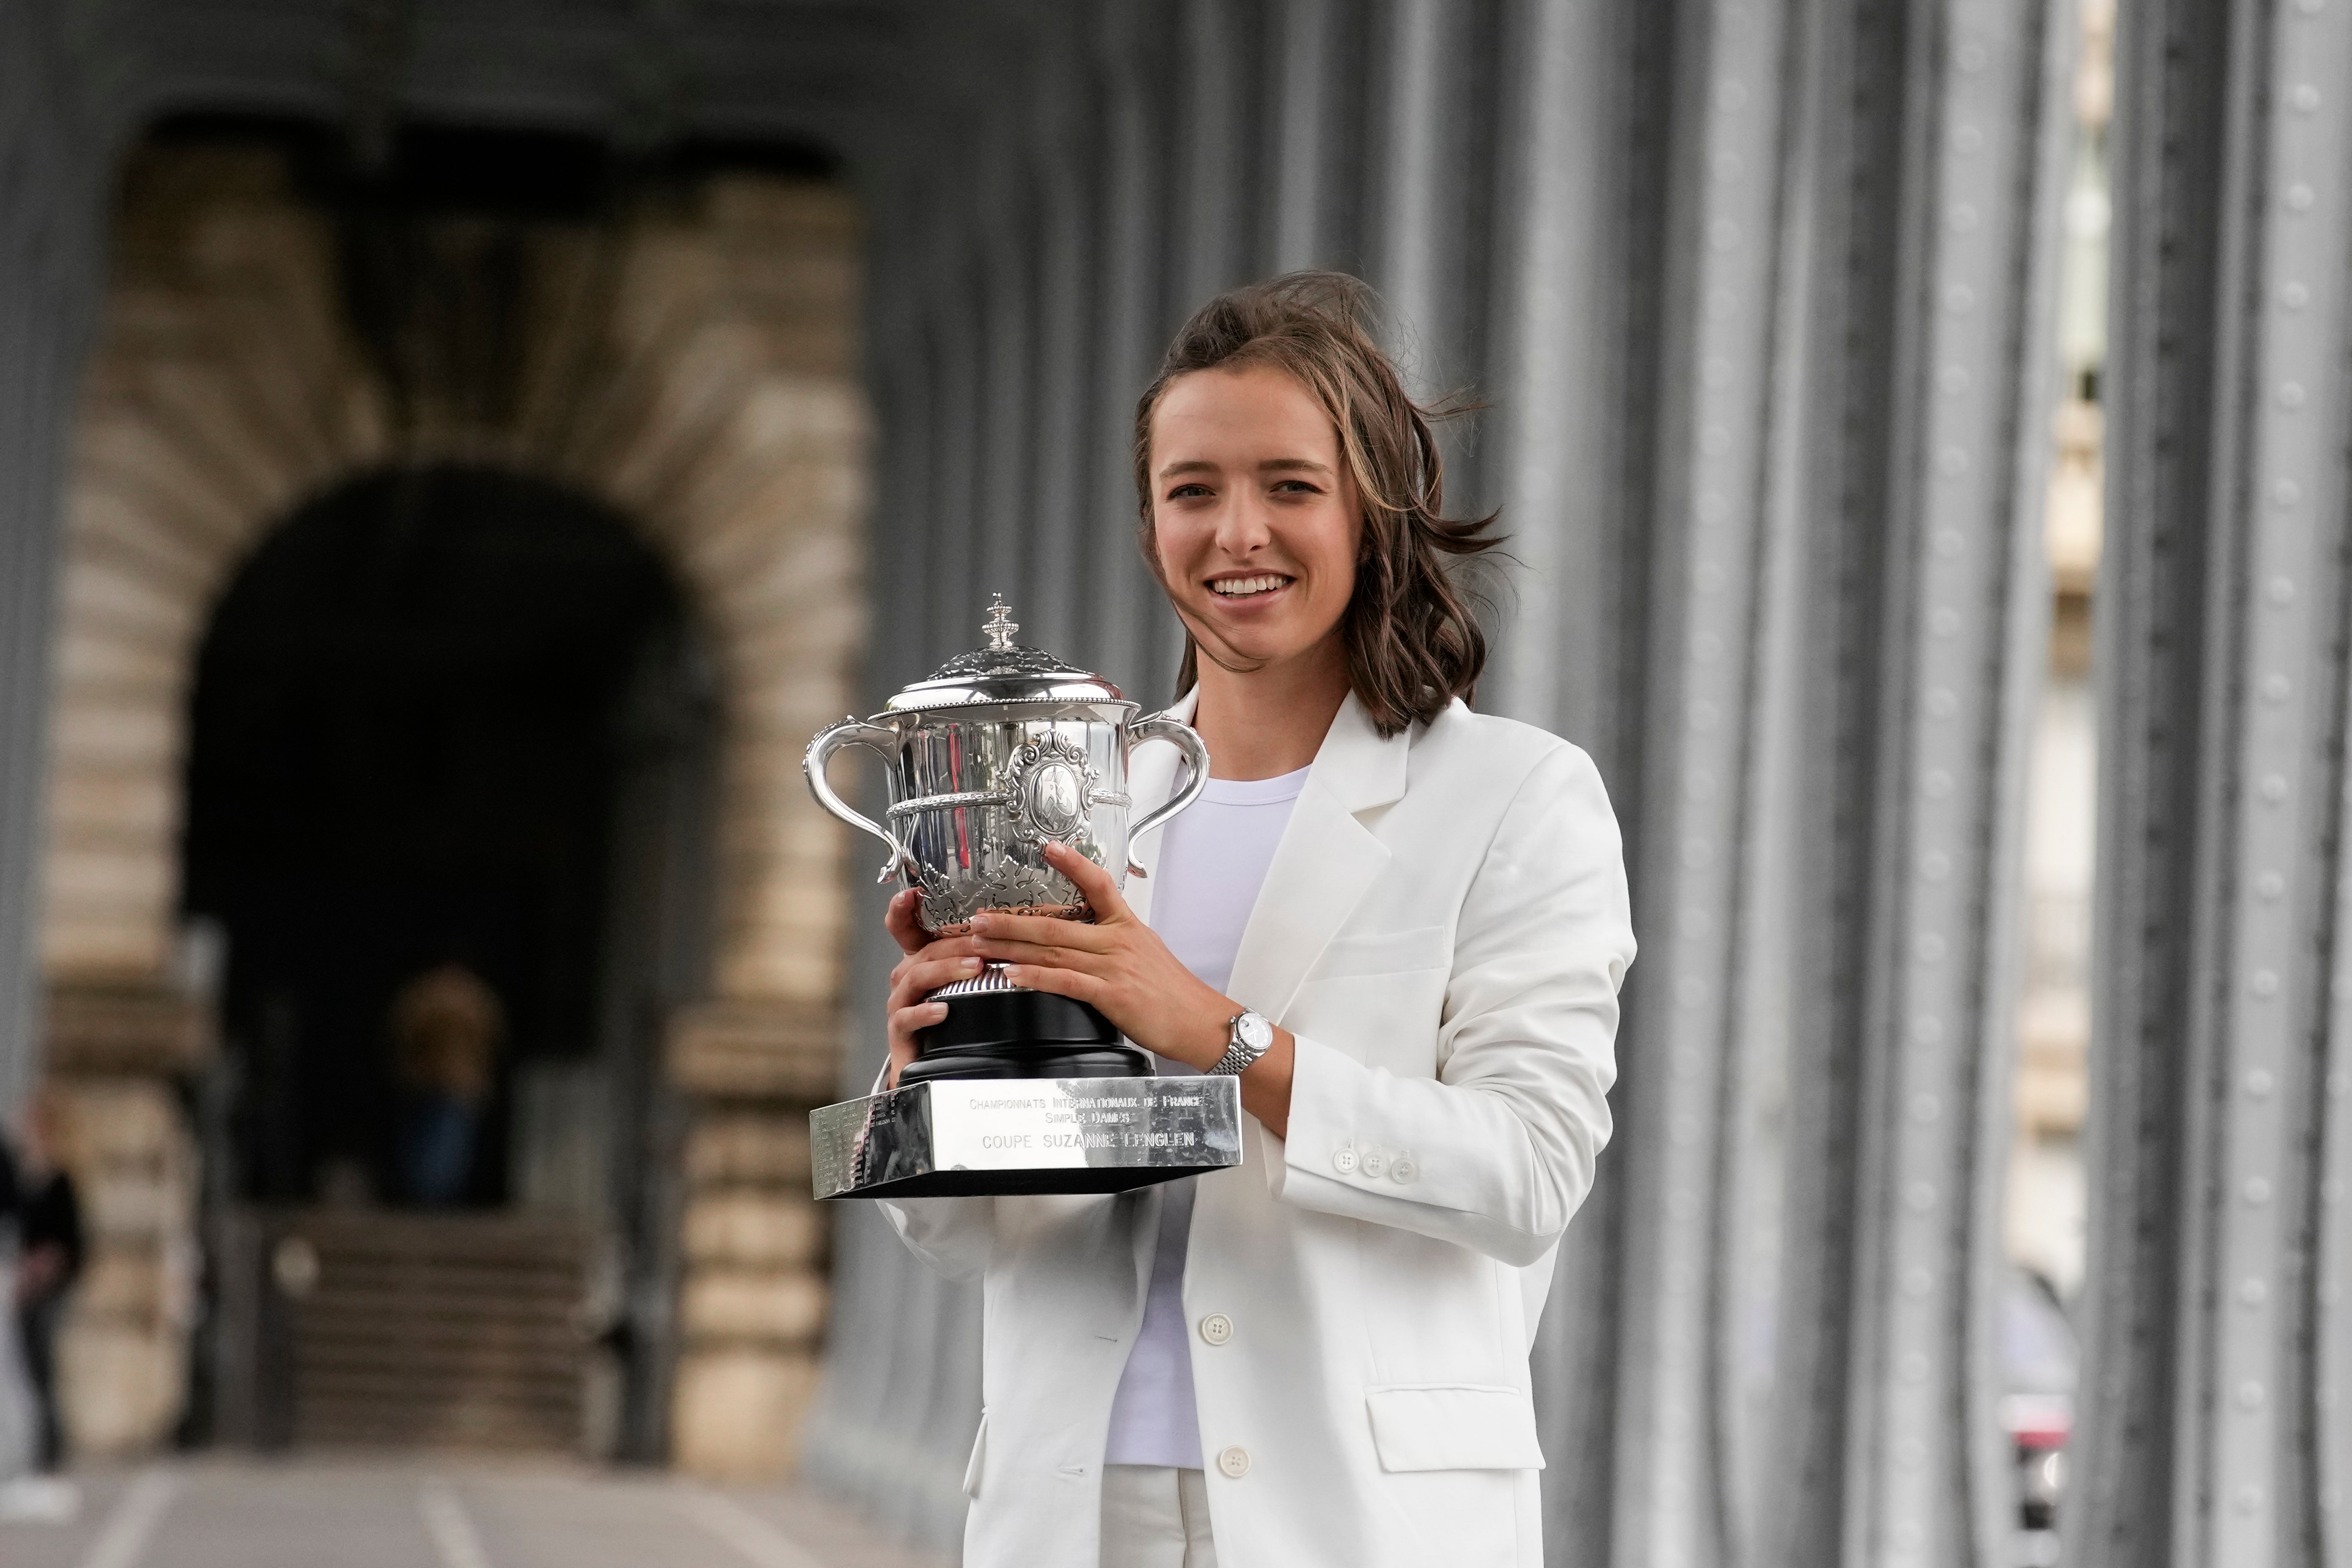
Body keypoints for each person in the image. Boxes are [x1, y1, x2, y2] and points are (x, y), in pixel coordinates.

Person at [879, 273, 1635, 1568]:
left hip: (1355, 1514)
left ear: (1372, 510)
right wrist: (926, 1085)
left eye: (1290, 485)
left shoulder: (1516, 796)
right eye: (1193, 491)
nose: (1239, 534)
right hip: (1073, 1501)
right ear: (1148, 520)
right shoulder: (1072, 799)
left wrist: (1225, 1038)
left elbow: (1529, 1173)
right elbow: (968, 1239)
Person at [389, 961, 504, 1206]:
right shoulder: (444, 996)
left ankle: (434, 1202)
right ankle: (430, 1201)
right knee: (433, 1150)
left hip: (453, 1084)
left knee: (446, 1150)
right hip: (437, 1082)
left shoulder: (447, 996)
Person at [12, 1087, 84, 1475]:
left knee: (46, 1373)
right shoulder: (23, 1180)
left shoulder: (61, 1183)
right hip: (26, 1290)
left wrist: (49, 1266)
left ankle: (50, 1458)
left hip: (52, 1292)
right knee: (30, 1376)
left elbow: (74, 1244)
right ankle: (35, 1455)